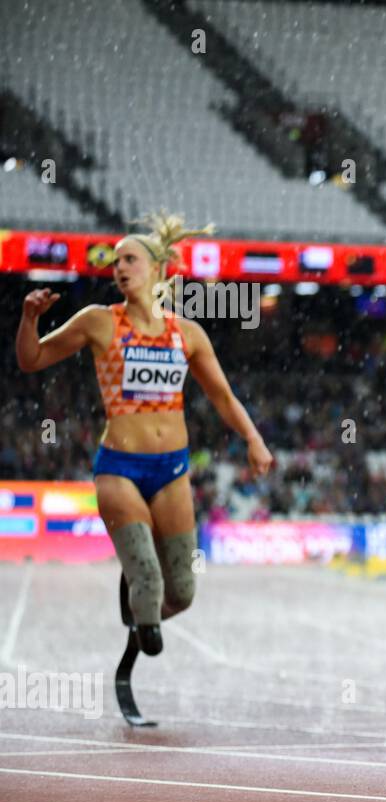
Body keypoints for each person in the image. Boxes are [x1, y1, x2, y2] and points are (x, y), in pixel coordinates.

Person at [15, 212, 275, 666]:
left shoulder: (187, 333)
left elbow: (223, 396)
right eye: (116, 262)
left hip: (172, 470)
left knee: (184, 592)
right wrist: (29, 318)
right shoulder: (99, 322)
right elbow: (31, 360)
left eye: (130, 259)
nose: (120, 268)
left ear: (157, 270)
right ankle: (141, 602)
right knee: (151, 585)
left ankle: (139, 611)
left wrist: (254, 438)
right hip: (120, 470)